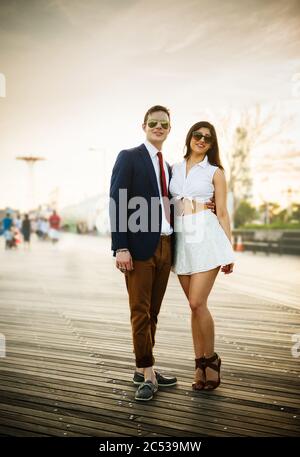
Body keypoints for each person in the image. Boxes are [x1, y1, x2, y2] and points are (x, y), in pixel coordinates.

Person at [109, 106, 214, 401]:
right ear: (143, 125)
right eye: (153, 123)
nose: (158, 127)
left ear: (169, 129)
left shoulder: (167, 167)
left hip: (166, 247)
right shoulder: (129, 157)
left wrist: (200, 207)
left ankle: (142, 369)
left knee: (152, 313)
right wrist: (121, 246)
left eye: (164, 124)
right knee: (139, 312)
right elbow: (117, 200)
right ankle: (148, 372)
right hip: (139, 249)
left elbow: (169, 205)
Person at [169, 121, 235, 391]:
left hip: (206, 236)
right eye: (197, 135)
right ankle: (200, 364)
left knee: (198, 302)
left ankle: (211, 360)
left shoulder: (215, 172)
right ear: (190, 137)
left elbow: (222, 212)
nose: (201, 140)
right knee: (193, 307)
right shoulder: (173, 168)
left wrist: (228, 248)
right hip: (181, 239)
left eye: (207, 138)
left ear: (211, 144)